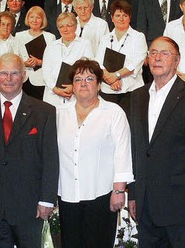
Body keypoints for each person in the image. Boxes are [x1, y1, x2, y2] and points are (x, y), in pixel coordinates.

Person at [128, 36, 185, 247]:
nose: (157, 58)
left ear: (177, 61)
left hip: (181, 205)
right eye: (153, 53)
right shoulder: (137, 97)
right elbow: (136, 150)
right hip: (146, 204)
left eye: (164, 53)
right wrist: (134, 194)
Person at [0, 53, 59, 247]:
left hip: (31, 208)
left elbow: (50, 159)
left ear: (23, 75)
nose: (8, 79)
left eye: (14, 73)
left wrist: (47, 200)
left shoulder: (44, 111)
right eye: (3, 73)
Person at [56, 59, 134, 247]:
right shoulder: (58, 113)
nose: (83, 83)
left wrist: (119, 190)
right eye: (78, 79)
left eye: (90, 78)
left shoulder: (113, 112)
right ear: (72, 86)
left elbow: (123, 152)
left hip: (102, 195)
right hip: (67, 195)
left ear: (99, 84)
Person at [94, 0, 147, 108]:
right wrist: (110, 79)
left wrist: (116, 75)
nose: (121, 19)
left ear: (130, 18)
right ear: (112, 18)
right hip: (108, 89)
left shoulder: (138, 37)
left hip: (131, 90)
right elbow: (99, 62)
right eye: (118, 15)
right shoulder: (105, 38)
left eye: (125, 15)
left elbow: (136, 63)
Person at [42, 12, 94, 107]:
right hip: (53, 96)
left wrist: (73, 86)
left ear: (75, 26)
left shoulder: (85, 44)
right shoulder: (51, 46)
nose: (65, 29)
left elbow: (88, 70)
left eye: (68, 26)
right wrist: (55, 89)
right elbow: (46, 72)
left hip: (76, 95)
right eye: (61, 26)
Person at [16, 6, 57, 99]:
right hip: (23, 79)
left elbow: (54, 61)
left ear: (42, 20)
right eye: (32, 17)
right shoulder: (19, 36)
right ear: (27, 18)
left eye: (38, 18)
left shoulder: (50, 37)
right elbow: (15, 58)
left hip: (41, 80)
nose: (34, 20)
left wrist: (40, 62)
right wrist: (24, 63)